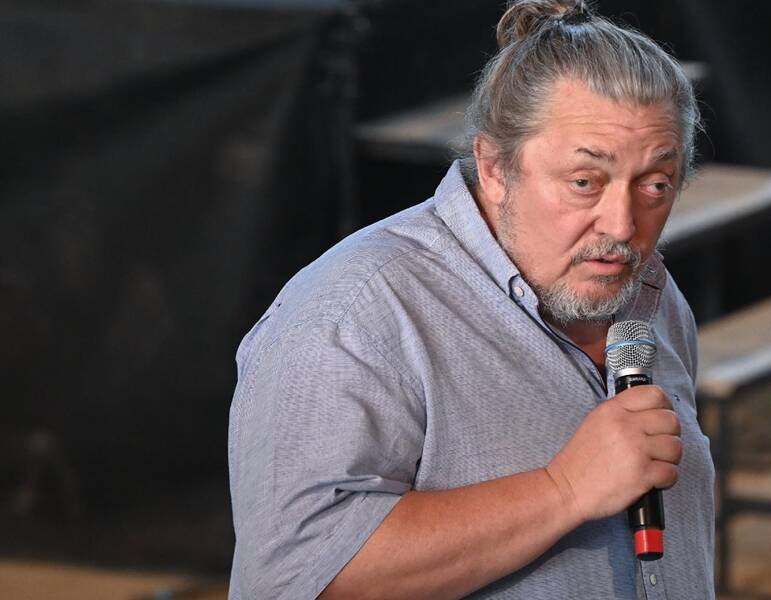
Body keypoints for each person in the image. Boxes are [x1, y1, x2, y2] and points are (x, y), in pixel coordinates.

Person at [227, 1, 714, 598]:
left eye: (656, 184)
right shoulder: (351, 315)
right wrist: (563, 490)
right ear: (494, 167)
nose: (621, 224)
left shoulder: (651, 296)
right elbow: (293, 580)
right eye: (584, 182)